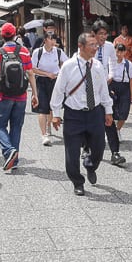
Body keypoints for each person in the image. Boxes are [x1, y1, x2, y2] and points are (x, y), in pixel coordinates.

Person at [50, 32, 114, 196]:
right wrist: (56, 114)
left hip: (94, 113)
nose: (95, 48)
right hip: (74, 114)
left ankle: (90, 165)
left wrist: (108, 111)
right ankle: (77, 182)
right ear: (81, 46)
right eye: (92, 45)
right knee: (71, 152)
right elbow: (58, 91)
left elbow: (103, 91)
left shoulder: (98, 66)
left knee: (99, 148)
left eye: (96, 45)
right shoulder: (69, 66)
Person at [0, 22, 38, 172]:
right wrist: (35, 94)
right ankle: (14, 161)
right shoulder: (23, 51)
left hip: (4, 96)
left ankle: (9, 151)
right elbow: (30, 73)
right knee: (16, 127)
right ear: (15, 35)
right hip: (21, 96)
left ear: (2, 36)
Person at [31, 31, 65, 146]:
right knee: (42, 108)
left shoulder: (59, 52)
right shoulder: (38, 52)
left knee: (52, 107)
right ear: (45, 40)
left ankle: (48, 125)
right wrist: (46, 74)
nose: (53, 41)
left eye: (54, 39)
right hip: (41, 81)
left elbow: (67, 63)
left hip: (55, 81)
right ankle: (44, 134)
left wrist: (60, 72)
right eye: (51, 39)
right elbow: (32, 68)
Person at [105, 43, 132, 165]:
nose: (119, 54)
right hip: (112, 86)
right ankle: (111, 133)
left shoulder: (128, 64)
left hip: (124, 87)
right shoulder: (109, 63)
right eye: (117, 51)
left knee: (124, 112)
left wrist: (131, 93)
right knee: (111, 110)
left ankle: (117, 130)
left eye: (122, 52)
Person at [113, 24, 132, 103]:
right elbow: (114, 50)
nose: (125, 30)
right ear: (121, 30)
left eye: (126, 29)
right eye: (123, 29)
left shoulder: (131, 39)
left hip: (128, 60)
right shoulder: (116, 40)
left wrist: (129, 48)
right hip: (118, 61)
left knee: (130, 79)